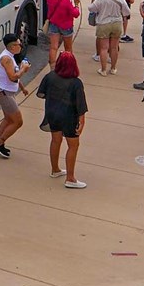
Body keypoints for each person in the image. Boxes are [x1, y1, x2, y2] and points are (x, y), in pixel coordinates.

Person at [37, 52, 88, 188]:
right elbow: (80, 105)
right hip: (69, 116)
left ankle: (55, 170)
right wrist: (82, 121)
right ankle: (70, 178)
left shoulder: (50, 77)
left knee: (55, 140)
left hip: (52, 114)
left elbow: (41, 93)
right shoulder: (76, 83)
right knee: (73, 145)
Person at [0, 33, 31, 158]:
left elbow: (14, 75)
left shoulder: (10, 56)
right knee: (18, 122)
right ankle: (0, 142)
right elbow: (13, 77)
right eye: (19, 44)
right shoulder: (6, 59)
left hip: (6, 92)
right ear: (12, 46)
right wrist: (24, 69)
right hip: (4, 93)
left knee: (8, 119)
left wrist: (22, 88)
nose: (21, 46)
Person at [88, 0, 130, 76]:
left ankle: (103, 70)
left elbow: (91, 8)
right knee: (114, 48)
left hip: (103, 23)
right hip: (117, 23)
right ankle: (113, 68)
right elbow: (127, 12)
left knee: (104, 48)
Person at [46, 0, 80, 70]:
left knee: (53, 47)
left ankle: (52, 68)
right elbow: (75, 14)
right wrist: (76, 4)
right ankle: (68, 67)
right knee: (68, 48)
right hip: (66, 26)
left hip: (53, 24)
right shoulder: (65, 1)